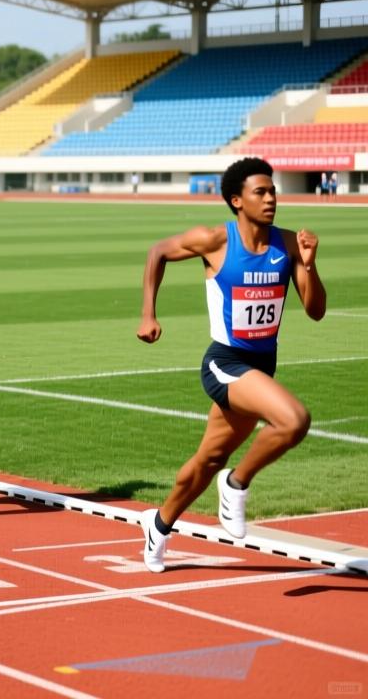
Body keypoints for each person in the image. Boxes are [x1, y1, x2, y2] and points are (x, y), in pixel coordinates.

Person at [136, 156, 325, 573]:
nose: (271, 198)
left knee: (207, 460)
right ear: (237, 200)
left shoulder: (290, 244)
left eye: (273, 190)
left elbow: (315, 311)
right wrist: (148, 313)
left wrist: (308, 266)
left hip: (262, 367)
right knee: (294, 420)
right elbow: (157, 252)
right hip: (225, 363)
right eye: (261, 192)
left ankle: (159, 525)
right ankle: (236, 484)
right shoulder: (215, 241)